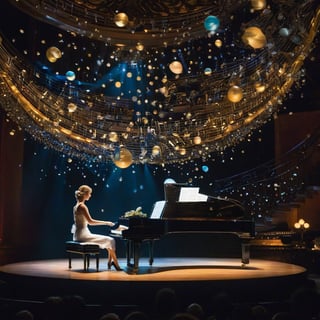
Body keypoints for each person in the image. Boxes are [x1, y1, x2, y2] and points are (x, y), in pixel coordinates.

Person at [72, 185, 121, 270]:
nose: (90, 195)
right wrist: (106, 222)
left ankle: (110, 263)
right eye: (89, 193)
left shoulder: (76, 206)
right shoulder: (82, 206)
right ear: (85, 194)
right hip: (83, 235)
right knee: (111, 240)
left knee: (109, 241)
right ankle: (116, 264)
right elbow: (91, 222)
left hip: (78, 234)